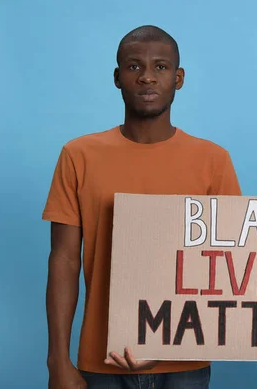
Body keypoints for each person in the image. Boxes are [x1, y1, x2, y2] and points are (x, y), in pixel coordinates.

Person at [42, 25, 241, 389]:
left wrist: (166, 341)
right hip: (101, 359)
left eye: (161, 67)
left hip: (186, 361)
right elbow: (64, 260)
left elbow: (229, 266)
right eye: (134, 67)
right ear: (117, 78)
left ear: (178, 79)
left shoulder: (213, 161)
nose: (147, 76)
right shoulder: (79, 155)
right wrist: (57, 360)